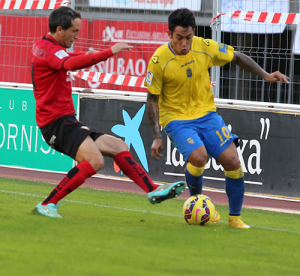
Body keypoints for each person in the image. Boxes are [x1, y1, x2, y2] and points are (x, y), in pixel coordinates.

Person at [31, 6, 186, 219]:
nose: (77, 36)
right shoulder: (50, 51)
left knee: (119, 146)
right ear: (59, 29)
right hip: (56, 123)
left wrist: (83, 53)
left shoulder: (46, 46)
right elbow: (68, 62)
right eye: (74, 32)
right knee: (95, 161)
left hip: (65, 121)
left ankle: (152, 189)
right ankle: (47, 204)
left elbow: (63, 58)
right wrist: (109, 52)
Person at [144, 8, 289, 229]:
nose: (185, 43)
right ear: (169, 34)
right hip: (176, 118)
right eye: (179, 38)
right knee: (199, 157)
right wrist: (157, 135)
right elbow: (152, 99)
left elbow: (237, 57)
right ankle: (199, 204)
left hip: (207, 116)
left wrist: (265, 75)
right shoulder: (158, 60)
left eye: (189, 38)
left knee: (233, 161)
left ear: (194, 33)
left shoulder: (205, 47)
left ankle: (235, 218)